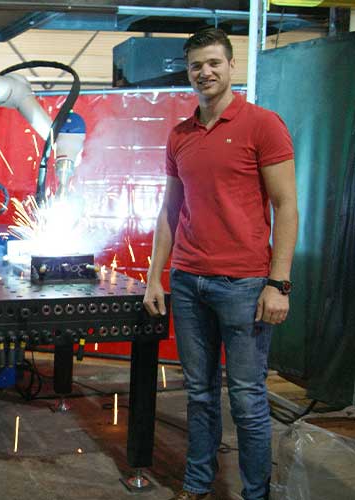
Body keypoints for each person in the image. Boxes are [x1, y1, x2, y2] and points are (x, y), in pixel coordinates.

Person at [143, 29, 298, 500]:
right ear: (188, 71)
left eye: (213, 63)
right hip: (189, 283)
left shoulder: (262, 124)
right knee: (199, 394)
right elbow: (171, 210)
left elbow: (286, 206)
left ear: (231, 66)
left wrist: (279, 284)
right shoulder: (180, 135)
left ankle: (256, 494)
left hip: (245, 285)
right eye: (196, 65)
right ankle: (197, 484)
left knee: (248, 400)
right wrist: (156, 277)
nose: (204, 72)